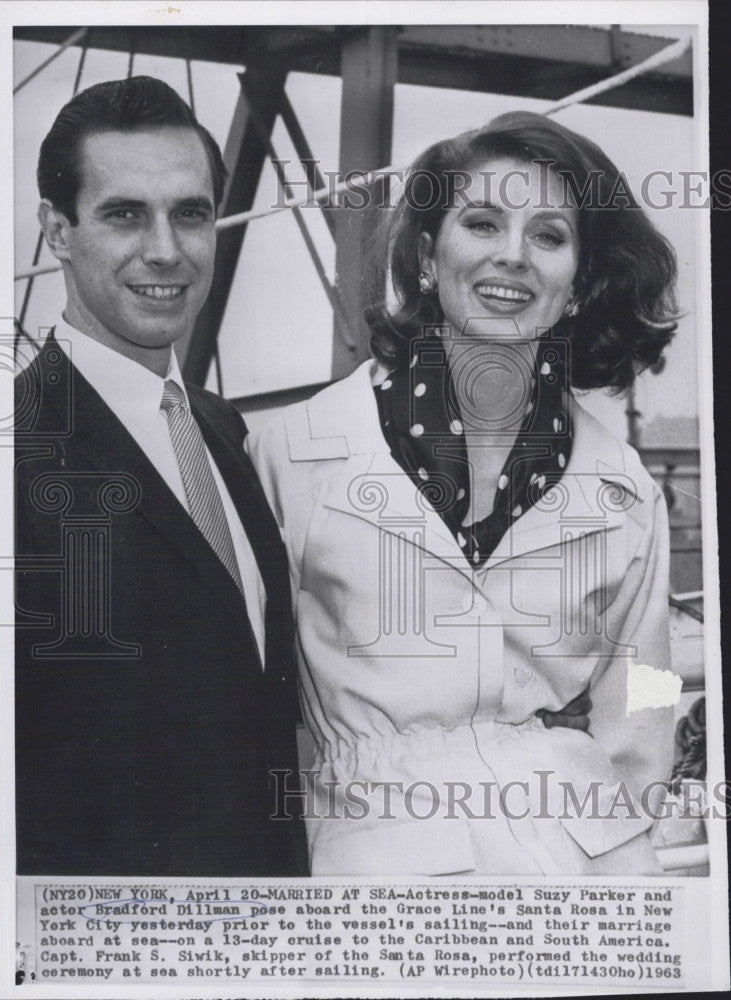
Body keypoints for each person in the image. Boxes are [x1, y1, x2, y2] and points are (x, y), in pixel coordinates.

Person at [247, 111, 679, 876]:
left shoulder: (625, 494)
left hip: (583, 873)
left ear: (577, 283)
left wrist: (631, 829)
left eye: (548, 235)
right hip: (370, 872)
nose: (511, 257)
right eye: (481, 223)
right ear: (425, 255)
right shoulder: (292, 455)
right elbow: (253, 698)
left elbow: (643, 687)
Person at [15, 76, 306, 876]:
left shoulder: (221, 428)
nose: (166, 250)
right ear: (57, 231)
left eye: (190, 212)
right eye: (123, 214)